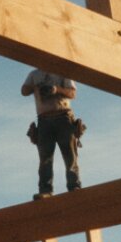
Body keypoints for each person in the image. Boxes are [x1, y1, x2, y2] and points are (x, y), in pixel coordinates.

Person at [21, 68, 84, 198]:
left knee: (69, 155)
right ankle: (45, 191)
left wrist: (56, 89)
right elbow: (24, 91)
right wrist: (37, 86)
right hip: (44, 119)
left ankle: (74, 187)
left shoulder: (63, 71)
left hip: (64, 116)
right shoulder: (34, 74)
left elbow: (72, 93)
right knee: (45, 159)